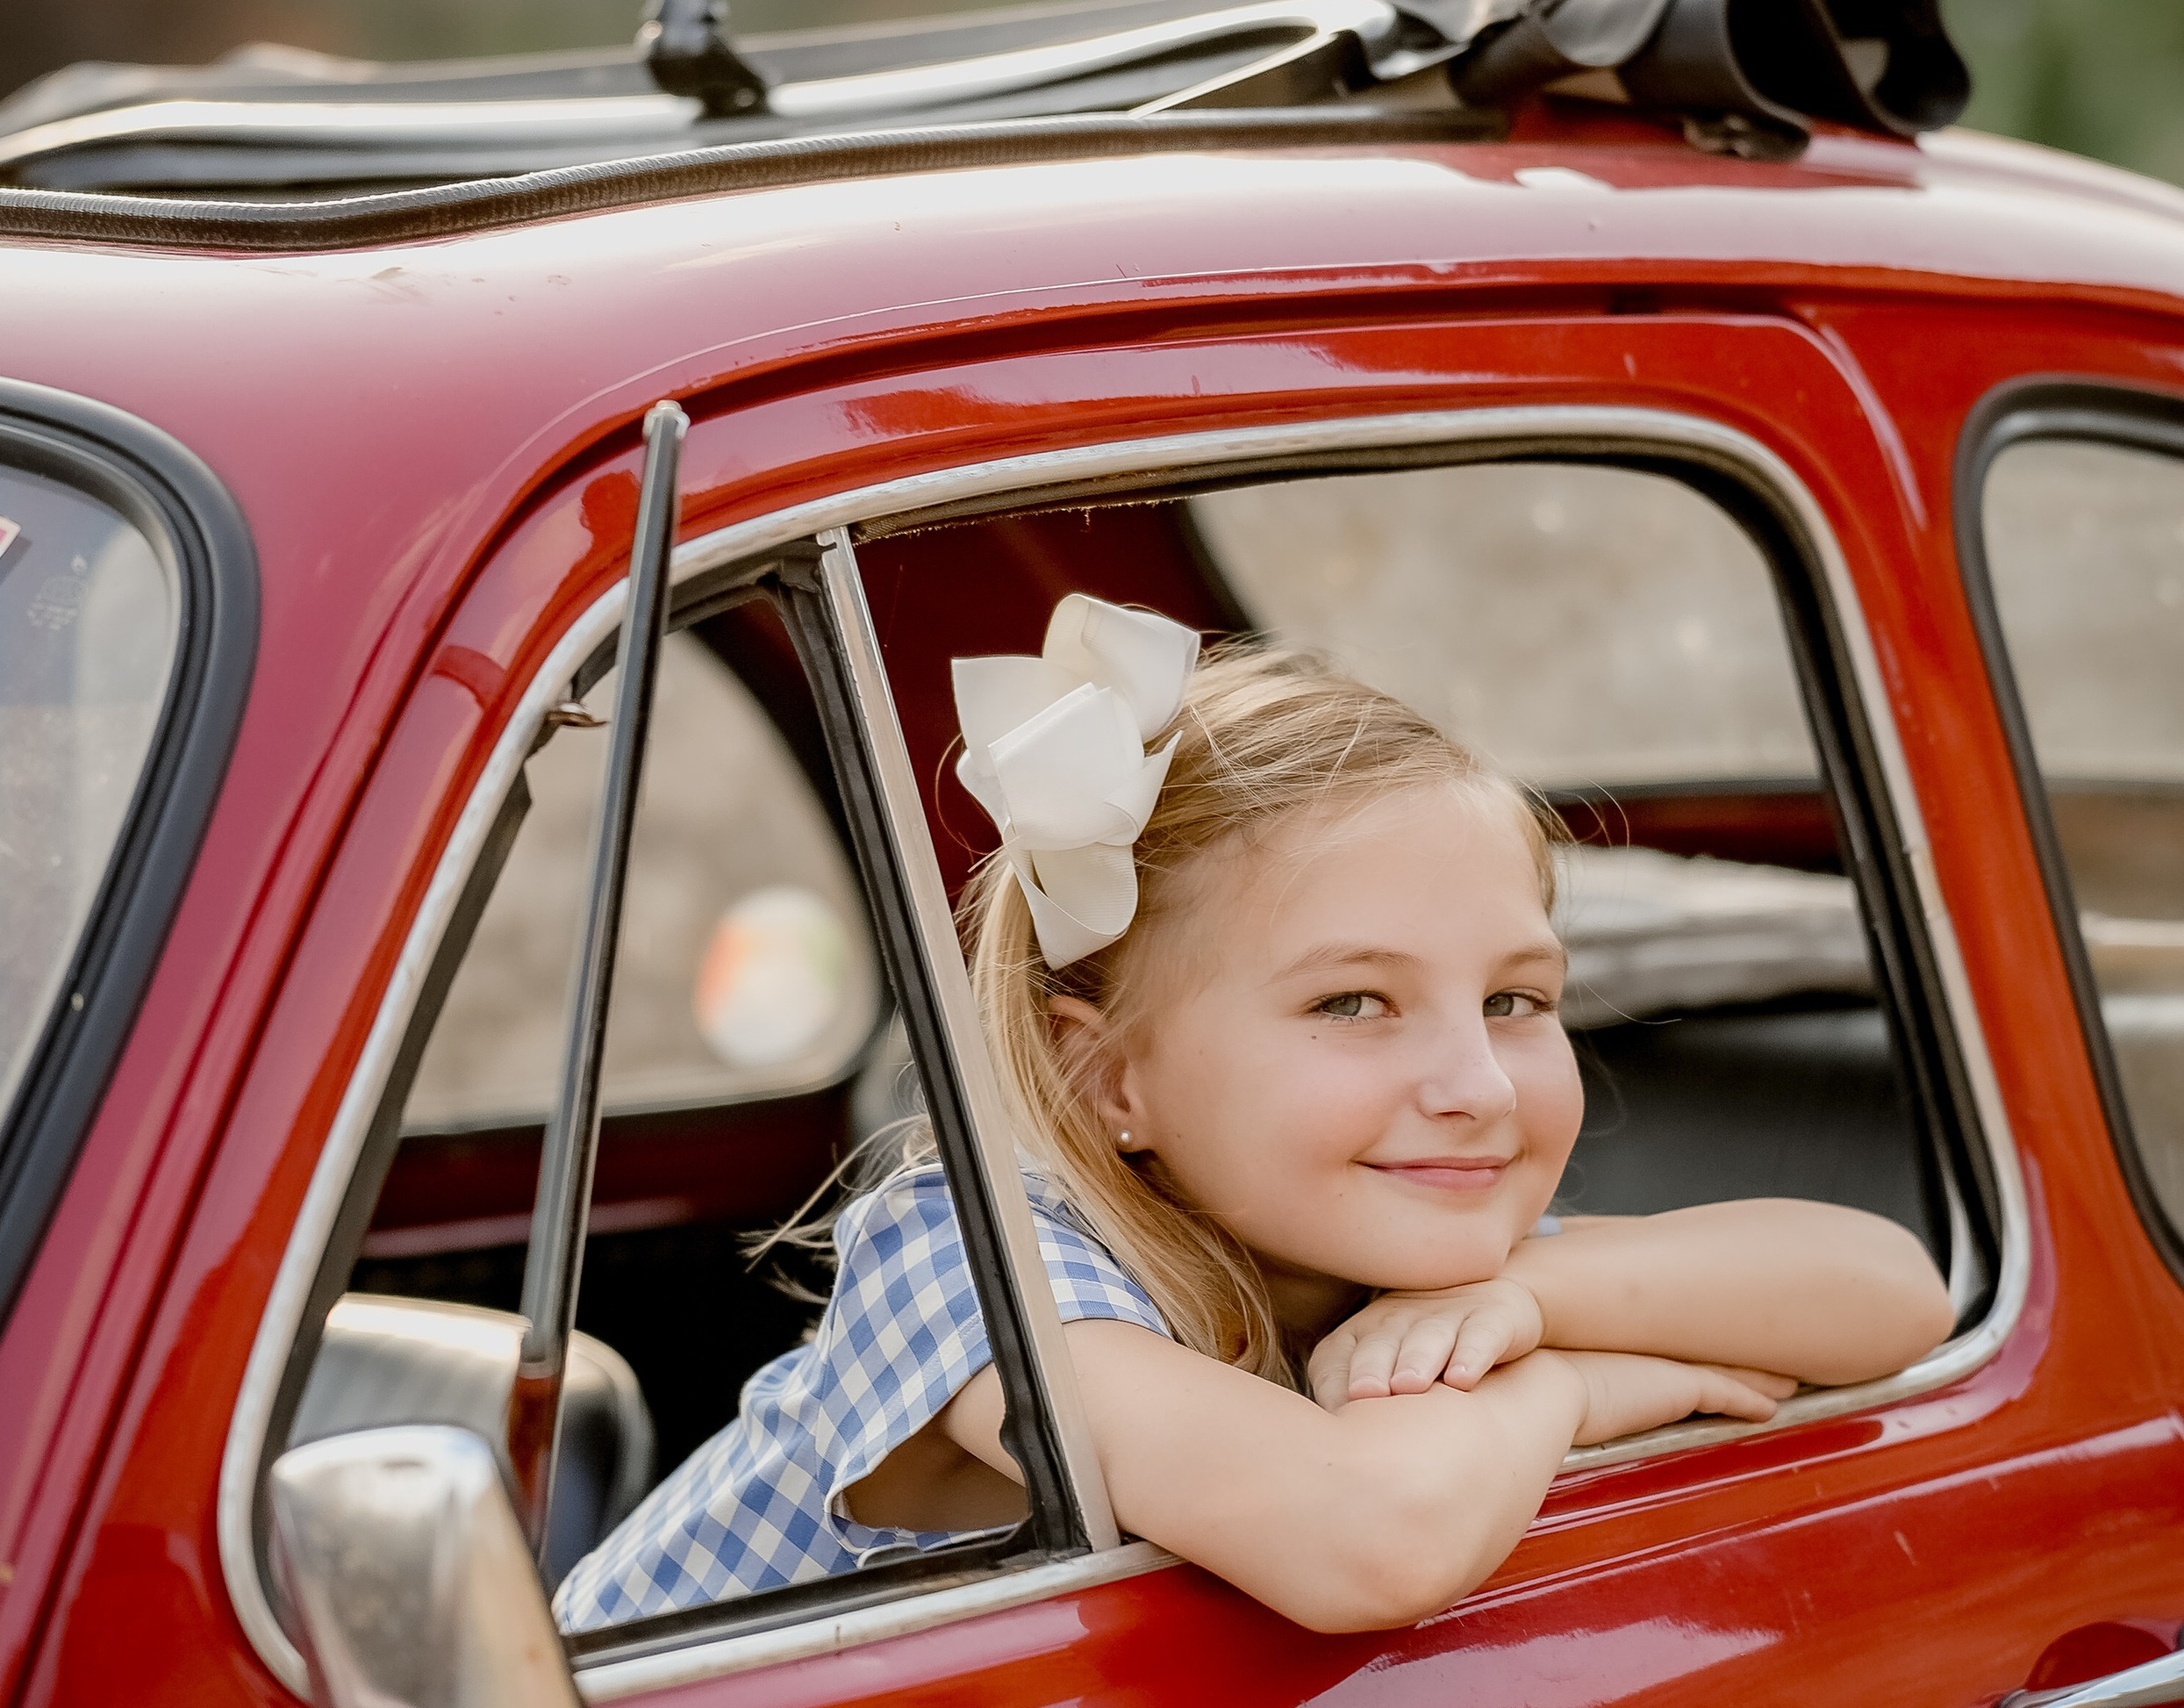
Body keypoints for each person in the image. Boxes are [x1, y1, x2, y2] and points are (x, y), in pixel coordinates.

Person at [555, 597, 1952, 1638]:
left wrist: (1542, 1292)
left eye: (1519, 1000)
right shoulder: (974, 1260)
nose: (1477, 1082)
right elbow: (1372, 1539)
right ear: (1112, 1081)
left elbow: (1896, 1295)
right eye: (1354, 1005)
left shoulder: (1405, 1233)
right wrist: (1572, 1383)